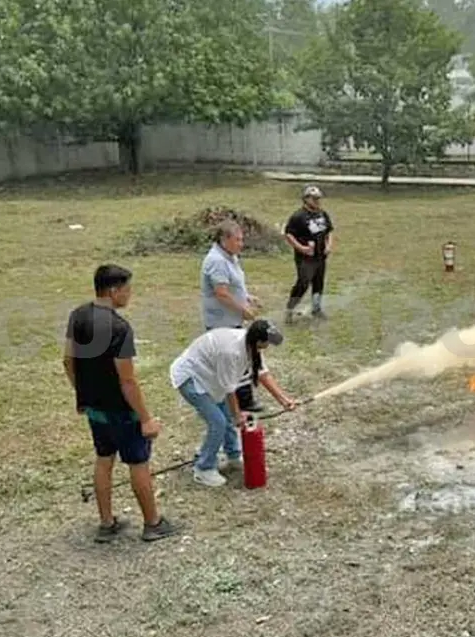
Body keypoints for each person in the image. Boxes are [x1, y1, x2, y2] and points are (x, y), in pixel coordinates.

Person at [63, 264, 177, 543]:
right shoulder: (119, 328)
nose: (129, 294)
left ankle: (107, 523)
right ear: (114, 291)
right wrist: (146, 418)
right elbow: (127, 380)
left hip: (95, 410)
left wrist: (83, 394)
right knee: (138, 462)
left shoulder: (77, 315)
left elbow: (68, 360)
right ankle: (152, 523)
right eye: (127, 289)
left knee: (104, 459)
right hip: (121, 412)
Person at [169, 319, 299, 487]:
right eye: (268, 343)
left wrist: (284, 400)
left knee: (226, 417)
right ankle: (203, 468)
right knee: (219, 422)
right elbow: (230, 389)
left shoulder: (251, 345)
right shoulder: (231, 352)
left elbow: (263, 374)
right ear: (258, 341)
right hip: (191, 378)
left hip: (212, 378)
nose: (268, 347)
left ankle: (233, 455)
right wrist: (237, 415)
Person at [202, 219, 264, 411]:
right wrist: (243, 309)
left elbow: (233, 285)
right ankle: (241, 402)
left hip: (231, 320)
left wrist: (247, 297)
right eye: (237, 240)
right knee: (233, 360)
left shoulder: (230, 256)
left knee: (239, 357)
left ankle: (240, 399)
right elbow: (221, 293)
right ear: (224, 239)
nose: (241, 244)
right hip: (222, 322)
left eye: (241, 239)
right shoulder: (217, 261)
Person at [283, 184, 335, 324]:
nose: (317, 201)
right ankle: (290, 310)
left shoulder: (322, 214)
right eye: (314, 199)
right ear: (306, 199)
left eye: (318, 198)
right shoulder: (298, 216)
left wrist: (329, 245)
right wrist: (301, 248)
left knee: (318, 282)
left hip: (320, 256)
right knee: (303, 284)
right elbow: (288, 235)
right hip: (305, 258)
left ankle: (316, 308)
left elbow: (329, 231)